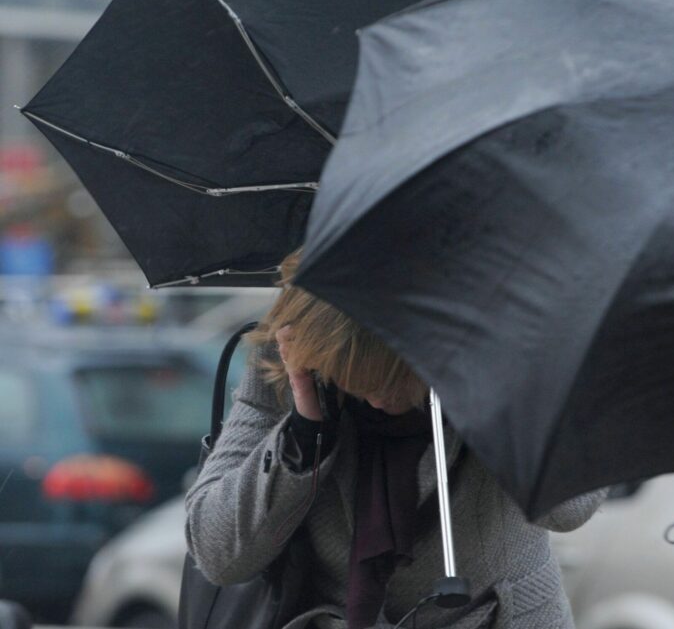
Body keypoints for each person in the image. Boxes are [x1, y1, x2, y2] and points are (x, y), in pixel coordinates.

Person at [185, 250, 605, 629]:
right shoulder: (292, 353)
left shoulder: (508, 343)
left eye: (391, 378)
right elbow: (217, 554)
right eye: (353, 384)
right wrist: (303, 430)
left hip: (502, 615)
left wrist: (494, 392)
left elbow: (572, 508)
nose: (377, 399)